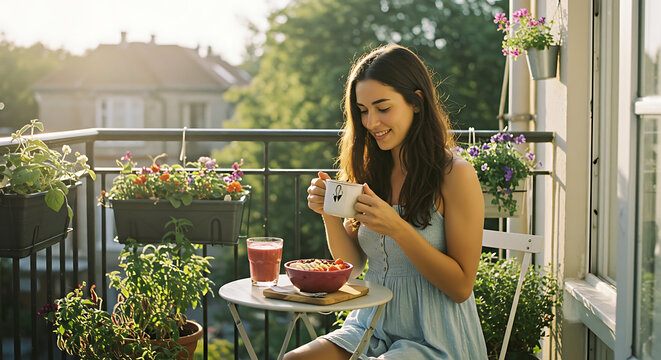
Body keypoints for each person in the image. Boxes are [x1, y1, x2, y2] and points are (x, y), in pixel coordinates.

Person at [285, 44, 487, 360]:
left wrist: (398, 228)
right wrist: (329, 215)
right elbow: (353, 269)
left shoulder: (455, 174)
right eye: (363, 110)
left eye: (383, 108)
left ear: (416, 103)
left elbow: (461, 286)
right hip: (371, 325)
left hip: (434, 337)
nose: (371, 122)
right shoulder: (372, 170)